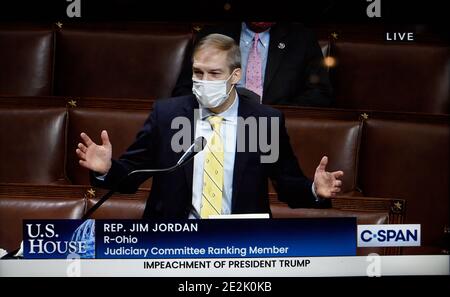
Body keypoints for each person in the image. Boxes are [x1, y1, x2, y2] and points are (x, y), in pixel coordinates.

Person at [76, 33, 343, 219]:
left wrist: (314, 191)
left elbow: (287, 185)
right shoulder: (168, 116)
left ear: (235, 76)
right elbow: (132, 176)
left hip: (242, 244)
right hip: (172, 242)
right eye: (198, 72)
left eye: (214, 73)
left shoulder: (263, 121)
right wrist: (107, 169)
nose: (204, 80)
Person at [173, 22, 333, 107]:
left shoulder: (302, 39)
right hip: (218, 124)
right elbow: (184, 90)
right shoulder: (213, 35)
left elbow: (320, 94)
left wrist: (277, 113)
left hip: (275, 128)